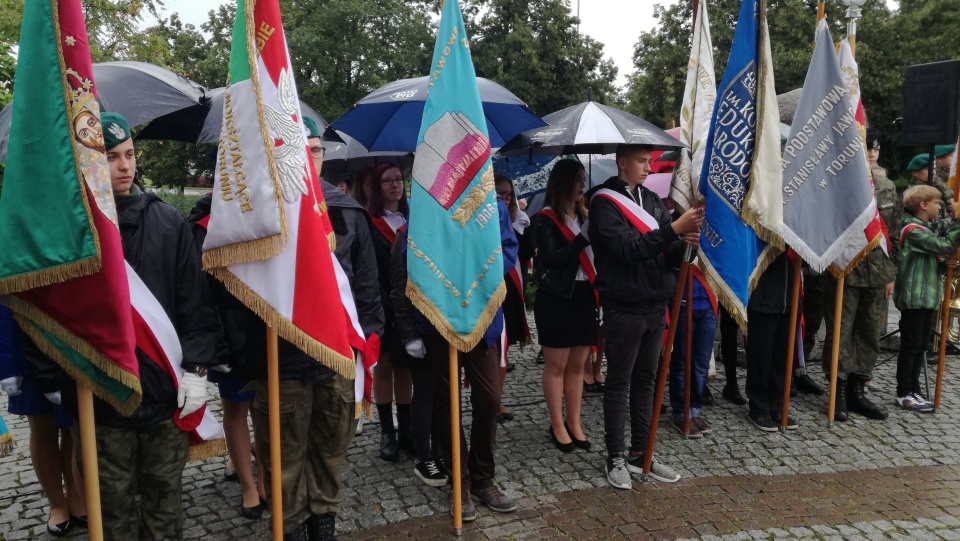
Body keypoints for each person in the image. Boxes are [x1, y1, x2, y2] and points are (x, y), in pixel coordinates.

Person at [26, 112, 219, 541]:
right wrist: (52, 378)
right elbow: (44, 312)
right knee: (110, 510)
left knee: (164, 502)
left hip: (165, 395)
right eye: (111, 158)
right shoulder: (71, 232)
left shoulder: (168, 221)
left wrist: (197, 370)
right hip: (101, 399)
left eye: (129, 155)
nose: (125, 166)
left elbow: (194, 302)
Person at [392, 198, 519, 521]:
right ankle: (459, 482)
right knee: (447, 404)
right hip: (440, 319)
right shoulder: (426, 205)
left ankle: (483, 477)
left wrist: (472, 264)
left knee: (489, 398)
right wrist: (409, 331)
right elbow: (409, 264)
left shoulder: (493, 205)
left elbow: (507, 249)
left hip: (482, 317)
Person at [588, 144, 702, 489]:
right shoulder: (603, 203)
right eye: (641, 161)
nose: (649, 168)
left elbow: (666, 253)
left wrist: (686, 243)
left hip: (656, 304)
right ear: (622, 162)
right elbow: (627, 250)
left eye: (650, 162)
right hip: (624, 305)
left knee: (647, 382)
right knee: (619, 383)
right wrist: (673, 229)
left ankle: (642, 452)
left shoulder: (652, 203)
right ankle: (616, 456)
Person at [820, 129, 899, 422]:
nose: (871, 152)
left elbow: (893, 233)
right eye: (866, 147)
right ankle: (838, 392)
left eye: (875, 149)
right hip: (845, 269)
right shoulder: (839, 184)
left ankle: (857, 391)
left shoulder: (887, 186)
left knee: (869, 333)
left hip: (878, 271)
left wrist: (892, 273)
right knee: (840, 331)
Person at [1, 306, 87, 537]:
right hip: (23, 344)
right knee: (42, 428)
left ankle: (76, 496)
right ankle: (57, 503)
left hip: (68, 342)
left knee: (74, 428)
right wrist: (6, 362)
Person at [531, 159, 597, 453]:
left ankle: (575, 422)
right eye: (578, 179)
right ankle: (557, 424)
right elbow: (554, 258)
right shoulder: (543, 219)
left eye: (584, 179)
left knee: (578, 365)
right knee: (556, 366)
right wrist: (583, 239)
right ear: (563, 182)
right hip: (557, 297)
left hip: (584, 296)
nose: (583, 185)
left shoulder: (586, 217)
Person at [894, 185, 960, 412]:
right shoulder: (912, 230)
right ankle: (903, 392)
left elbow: (933, 256)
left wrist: (943, 263)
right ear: (923, 205)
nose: (939, 207)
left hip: (927, 297)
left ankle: (914, 388)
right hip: (914, 298)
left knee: (921, 346)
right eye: (936, 203)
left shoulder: (924, 229)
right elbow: (944, 244)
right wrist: (958, 222)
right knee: (910, 347)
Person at [366, 164, 414, 461]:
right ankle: (387, 431)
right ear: (377, 186)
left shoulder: (413, 219)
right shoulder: (369, 222)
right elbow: (368, 268)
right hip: (382, 304)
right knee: (384, 367)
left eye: (398, 179)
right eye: (388, 181)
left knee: (405, 368)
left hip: (410, 305)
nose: (395, 185)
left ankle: (407, 429)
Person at [745, 251, 800, 432]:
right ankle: (759, 406)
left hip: (790, 295)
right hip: (764, 294)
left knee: (783, 356)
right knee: (762, 354)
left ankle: (777, 405)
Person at [494, 174, 532, 422]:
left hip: (510, 288)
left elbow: (526, 253)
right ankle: (488, 399)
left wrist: (519, 227)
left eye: (509, 195)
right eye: (501, 194)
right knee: (494, 347)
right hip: (493, 288)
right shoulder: (490, 220)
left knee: (503, 349)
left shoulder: (519, 221)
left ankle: (496, 399)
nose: (506, 199)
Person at [668, 259, 717, 439]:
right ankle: (681, 412)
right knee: (681, 361)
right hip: (682, 300)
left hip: (708, 303)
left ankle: (695, 410)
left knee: (701, 363)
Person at [907, 153, 954, 234]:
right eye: (928, 169)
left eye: (934, 169)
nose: (934, 173)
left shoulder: (934, 188)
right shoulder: (914, 194)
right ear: (915, 172)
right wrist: (954, 219)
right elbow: (929, 225)